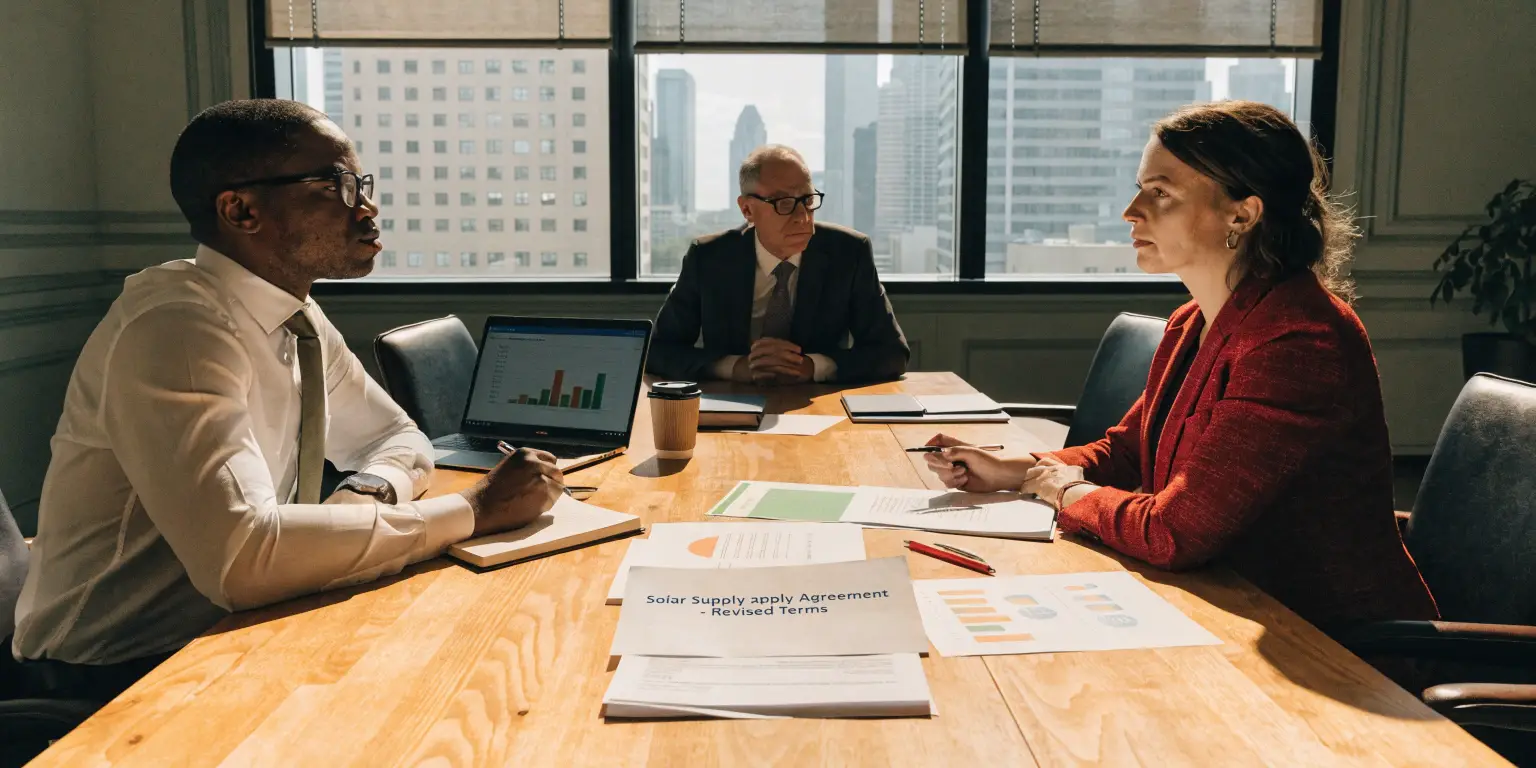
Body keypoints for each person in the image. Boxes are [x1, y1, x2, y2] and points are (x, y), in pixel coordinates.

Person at [10, 100, 561, 696]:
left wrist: (361, 499)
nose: (367, 208)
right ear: (241, 210)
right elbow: (243, 561)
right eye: (336, 186)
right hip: (113, 676)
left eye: (362, 185)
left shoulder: (296, 314)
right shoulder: (176, 327)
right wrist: (472, 510)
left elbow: (396, 439)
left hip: (237, 632)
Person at [925, 101, 1437, 630]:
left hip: (1328, 644)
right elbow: (1129, 451)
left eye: (1161, 192)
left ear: (1242, 214)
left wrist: (1062, 489)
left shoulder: (1297, 341)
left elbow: (1177, 531)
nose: (1131, 210)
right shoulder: (1194, 320)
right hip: (1228, 604)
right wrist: (1012, 470)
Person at [647, 145, 908, 385]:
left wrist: (811, 367)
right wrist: (735, 367)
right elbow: (659, 351)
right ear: (747, 210)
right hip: (732, 403)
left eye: (807, 200)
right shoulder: (709, 257)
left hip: (819, 405)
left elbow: (891, 353)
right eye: (783, 203)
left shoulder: (849, 252)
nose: (803, 217)